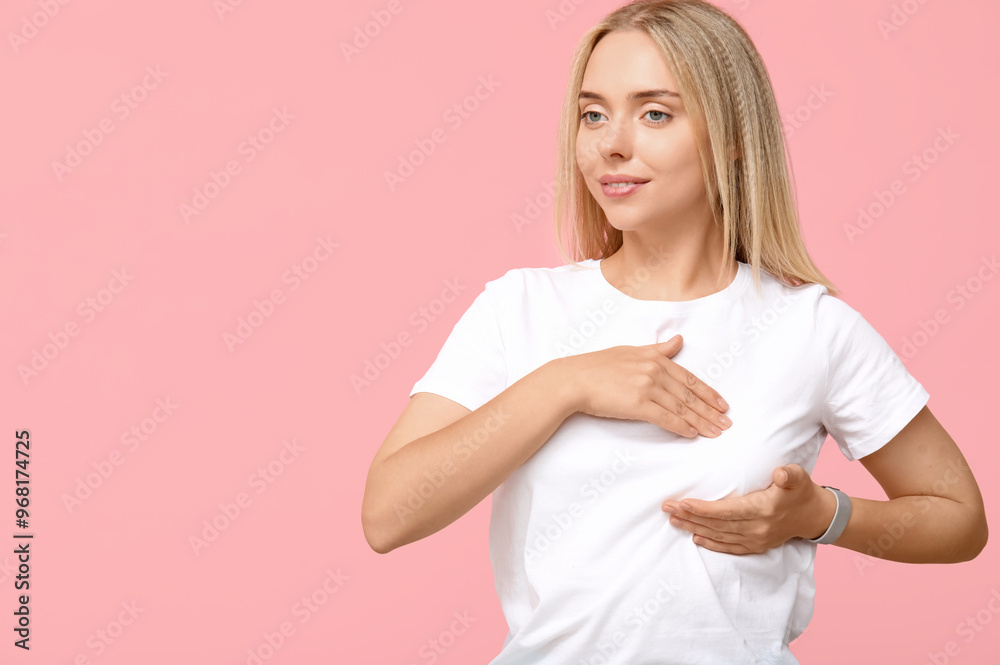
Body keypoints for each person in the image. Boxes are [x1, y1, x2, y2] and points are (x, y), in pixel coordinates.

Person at [361, 0, 988, 662]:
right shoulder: (518, 310)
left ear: (734, 135)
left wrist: (822, 516)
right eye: (592, 113)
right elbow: (388, 514)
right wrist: (566, 383)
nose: (611, 144)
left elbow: (959, 518)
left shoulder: (811, 328)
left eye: (654, 113)